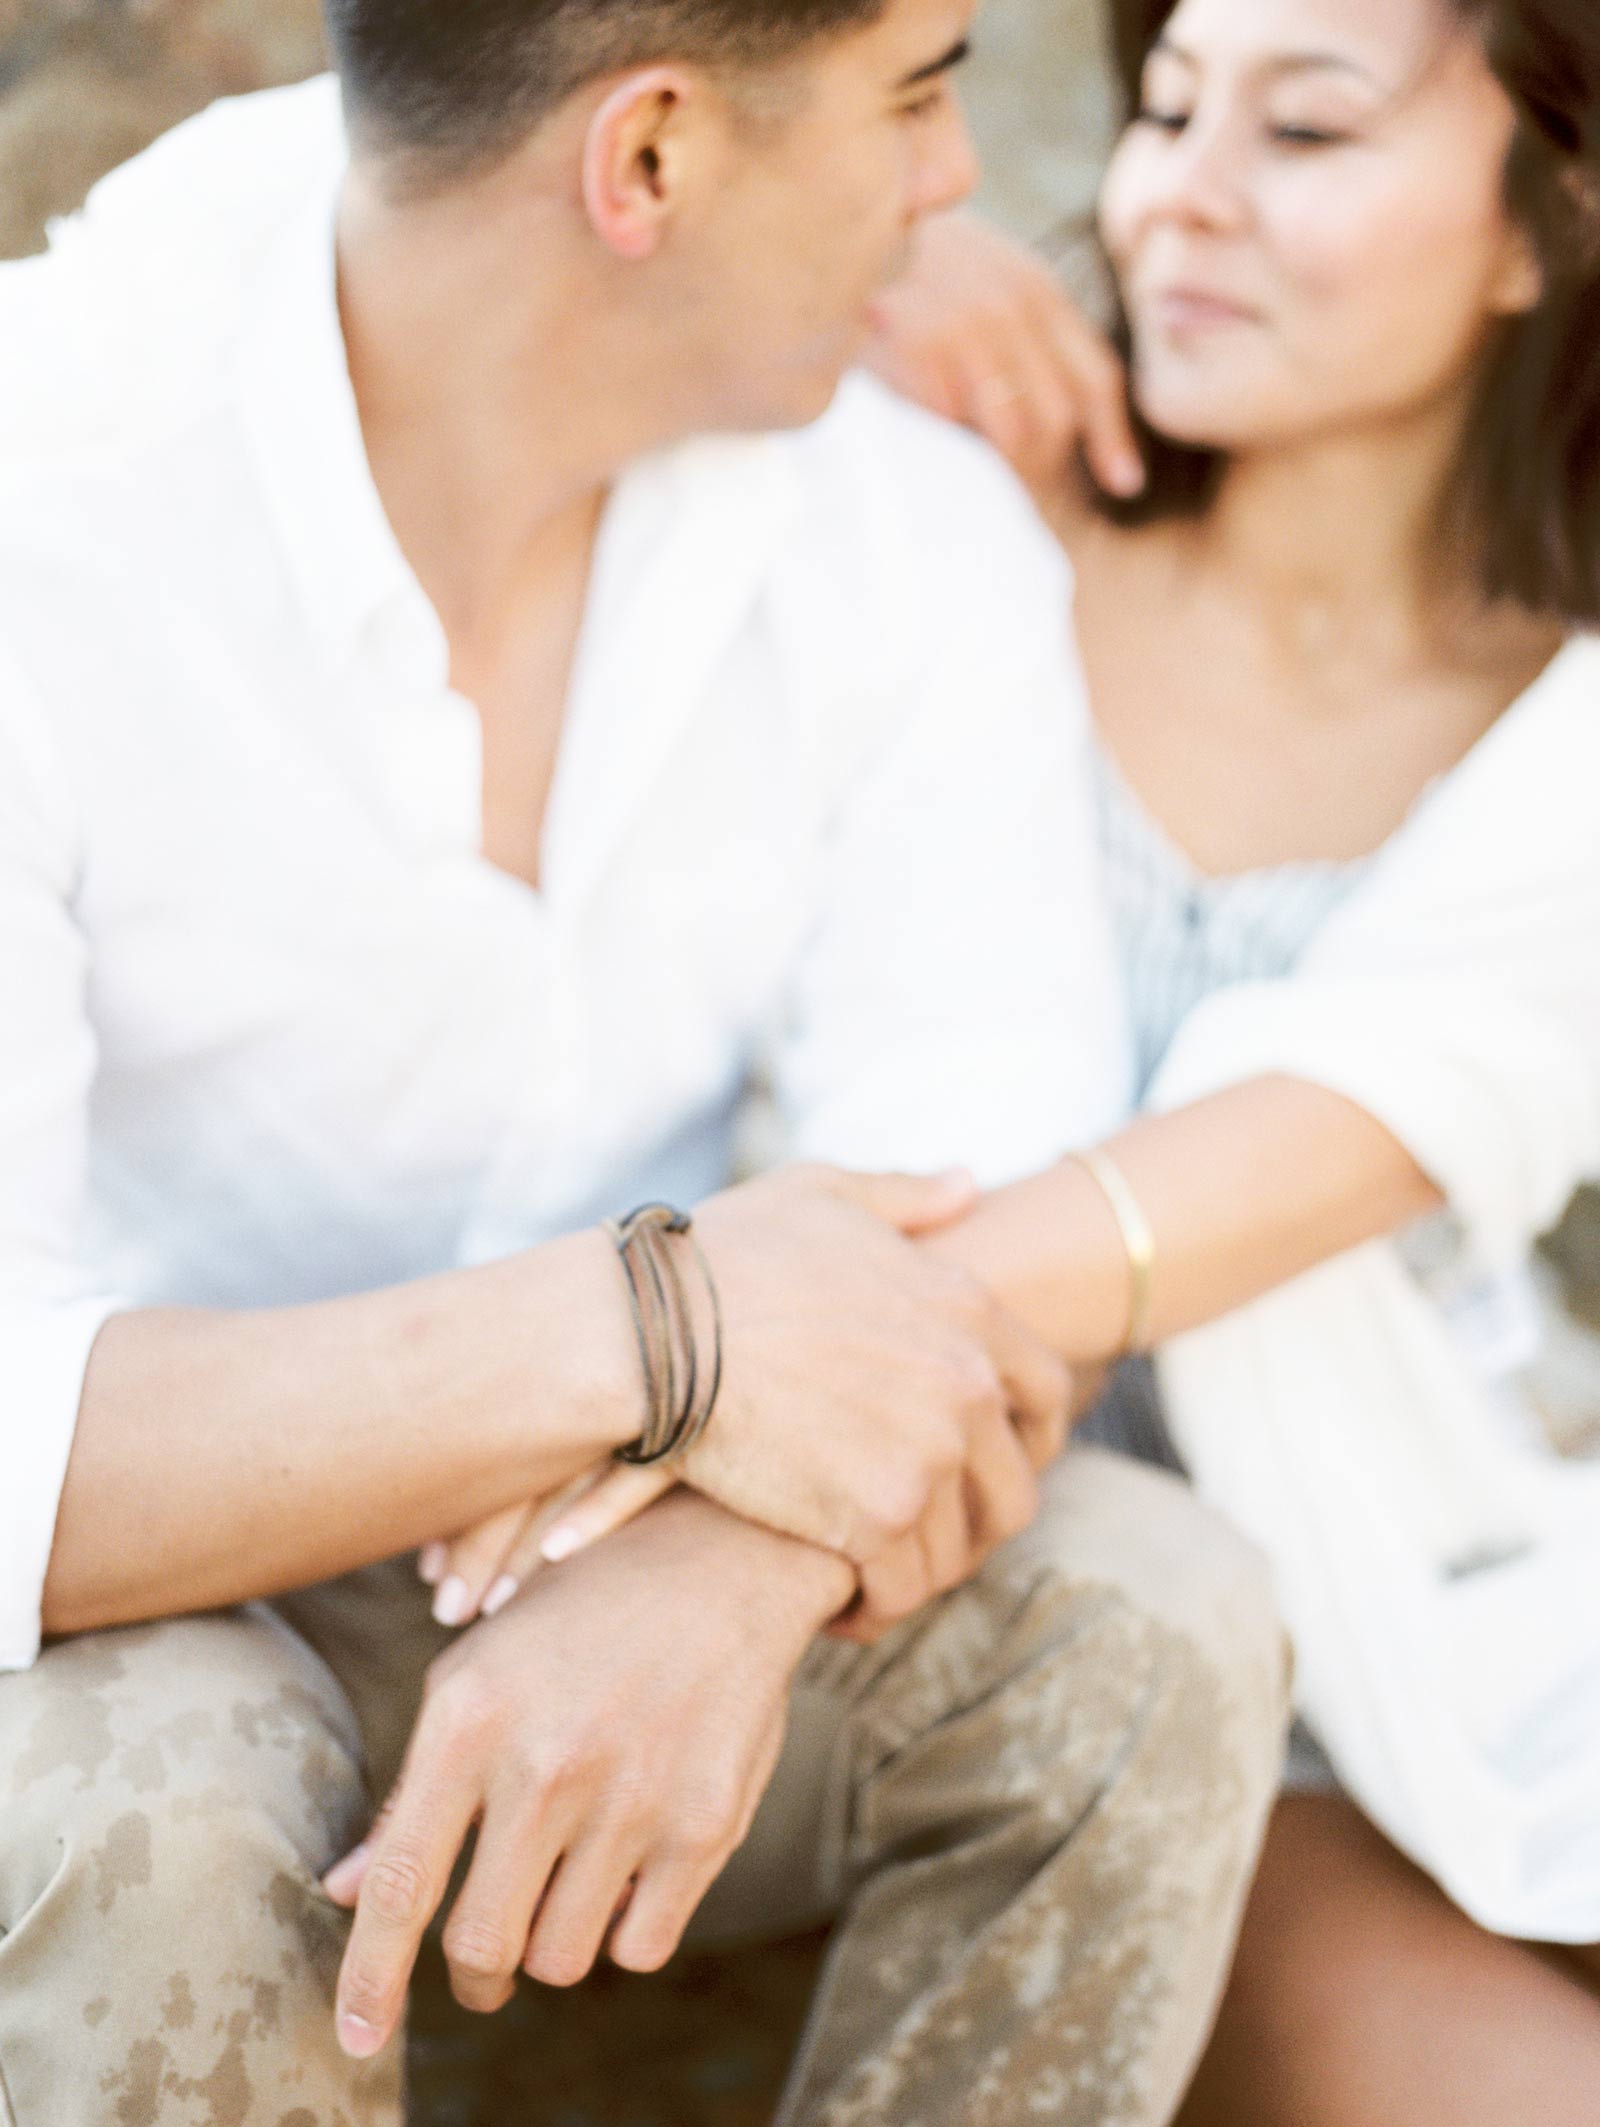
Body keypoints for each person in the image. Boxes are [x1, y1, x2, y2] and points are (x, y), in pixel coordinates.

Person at [0, 4, 1291, 2124]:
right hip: (152, 1571)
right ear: (650, 163)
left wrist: (724, 1552)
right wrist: (655, 1332)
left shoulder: (893, 515)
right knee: (159, 1783)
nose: (958, 182)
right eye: (913, 90)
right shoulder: (43, 501)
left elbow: (976, 1222)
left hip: (648, 1525)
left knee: (1147, 1616)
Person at [828, 0, 1600, 2118]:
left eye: (1306, 127)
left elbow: (1282, 1163)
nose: (1176, 192)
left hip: (1429, 1578)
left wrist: (687, 1361)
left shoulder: (1570, 730)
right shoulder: (938, 528)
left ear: (1543, 222)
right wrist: (830, 236)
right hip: (1113, 1657)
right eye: (1165, 107)